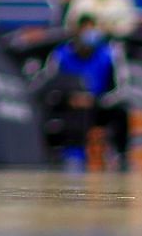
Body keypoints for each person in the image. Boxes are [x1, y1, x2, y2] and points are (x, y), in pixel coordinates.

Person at [46, 14, 125, 167]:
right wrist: (68, 99)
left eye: (92, 30)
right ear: (76, 32)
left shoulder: (109, 55)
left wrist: (96, 101)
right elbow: (48, 88)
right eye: (84, 30)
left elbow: (121, 91)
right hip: (69, 106)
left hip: (99, 106)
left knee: (121, 112)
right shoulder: (60, 55)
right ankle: (69, 154)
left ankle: (120, 156)